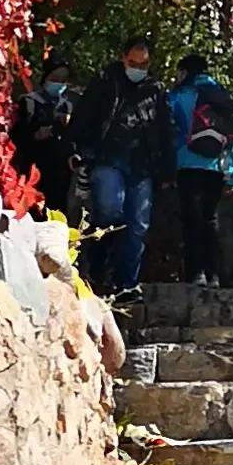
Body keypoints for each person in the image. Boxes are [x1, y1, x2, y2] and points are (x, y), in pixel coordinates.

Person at [68, 34, 176, 302]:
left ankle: (127, 282)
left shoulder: (156, 91)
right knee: (109, 210)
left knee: (138, 224)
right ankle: (97, 266)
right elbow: (84, 119)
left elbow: (165, 131)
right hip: (107, 158)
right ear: (123, 58)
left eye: (143, 65)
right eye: (133, 62)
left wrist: (166, 170)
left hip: (142, 166)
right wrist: (78, 151)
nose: (137, 69)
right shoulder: (105, 83)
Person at [170, 50, 233, 290]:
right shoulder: (221, 96)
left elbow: (170, 130)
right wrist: (232, 171)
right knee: (210, 219)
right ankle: (215, 274)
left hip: (187, 163)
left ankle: (195, 273)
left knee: (191, 219)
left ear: (184, 71)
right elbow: (232, 137)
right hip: (216, 166)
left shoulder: (180, 96)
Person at [10, 56, 79, 222]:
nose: (59, 83)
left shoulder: (69, 104)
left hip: (60, 169)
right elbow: (18, 135)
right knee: (33, 212)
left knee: (58, 212)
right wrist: (38, 134)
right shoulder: (29, 102)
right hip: (34, 166)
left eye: (63, 80)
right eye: (55, 79)